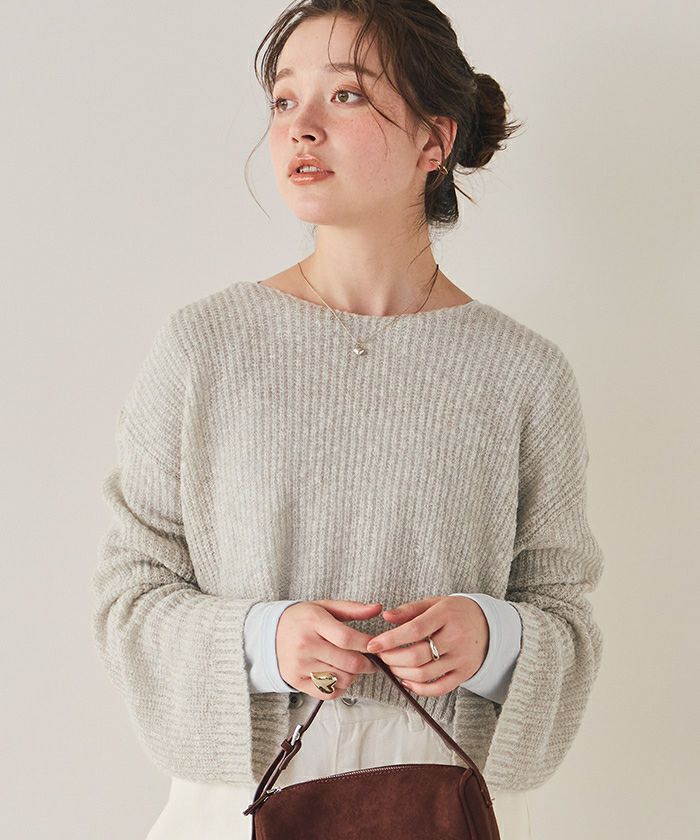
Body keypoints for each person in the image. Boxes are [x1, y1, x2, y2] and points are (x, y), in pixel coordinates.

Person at [92, 2, 604, 839]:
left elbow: (566, 615)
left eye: (348, 95)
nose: (301, 126)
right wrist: (265, 639)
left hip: (445, 801)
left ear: (434, 141)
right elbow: (129, 593)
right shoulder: (205, 347)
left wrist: (492, 636)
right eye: (283, 100)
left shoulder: (523, 372)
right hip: (240, 800)